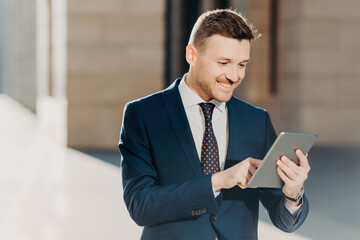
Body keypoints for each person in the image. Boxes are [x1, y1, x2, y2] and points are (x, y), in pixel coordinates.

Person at [119, 9, 310, 240]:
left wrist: (292, 194)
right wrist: (219, 181)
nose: (234, 76)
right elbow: (140, 205)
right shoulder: (143, 114)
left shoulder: (255, 120)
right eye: (224, 63)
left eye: (242, 64)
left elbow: (284, 220)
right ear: (191, 54)